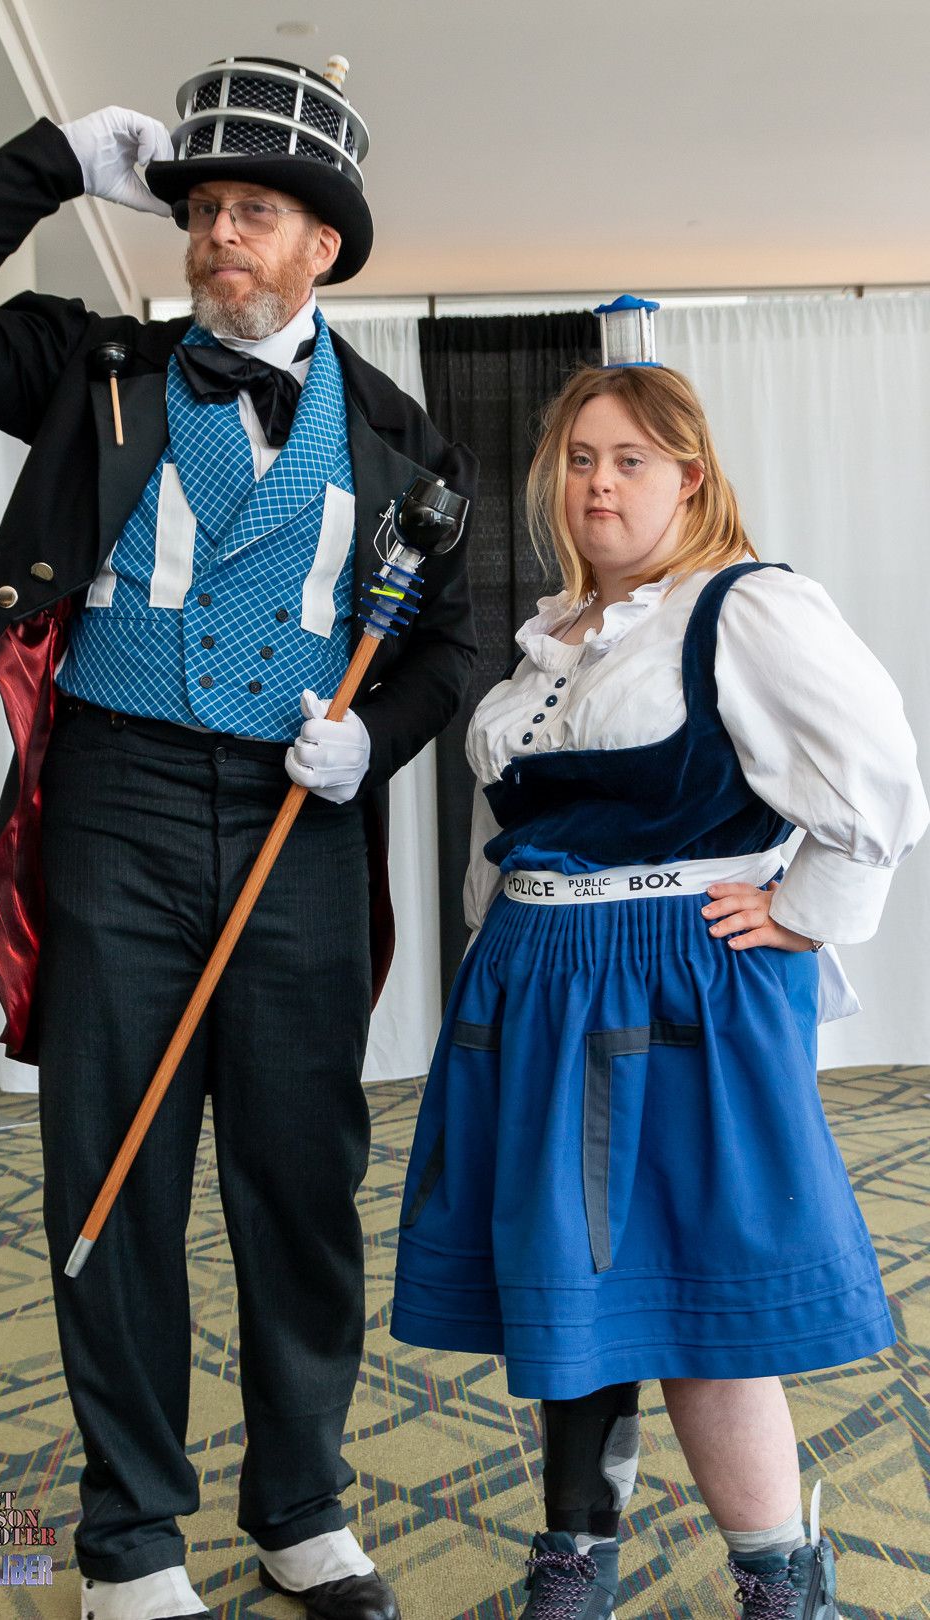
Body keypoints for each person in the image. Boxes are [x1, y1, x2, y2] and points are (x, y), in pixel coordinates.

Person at [0, 56, 477, 1620]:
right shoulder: (96, 369)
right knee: (113, 1173)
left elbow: (449, 643)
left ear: (322, 243)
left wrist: (375, 744)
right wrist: (54, 159)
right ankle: (132, 1535)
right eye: (201, 210)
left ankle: (302, 1507)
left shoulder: (403, 429)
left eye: (252, 212)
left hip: (299, 826)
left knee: (300, 1174)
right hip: (118, 812)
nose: (216, 239)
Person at [391, 343, 927, 1619]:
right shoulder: (548, 645)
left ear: (689, 478)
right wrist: (486, 965)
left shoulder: (743, 607)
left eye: (630, 460)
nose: (598, 483)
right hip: (532, 985)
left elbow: (882, 783)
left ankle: (778, 1576)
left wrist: (806, 915)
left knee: (700, 1294)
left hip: (679, 986)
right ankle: (576, 1548)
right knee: (563, 1280)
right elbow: (497, 829)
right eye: (579, 460)